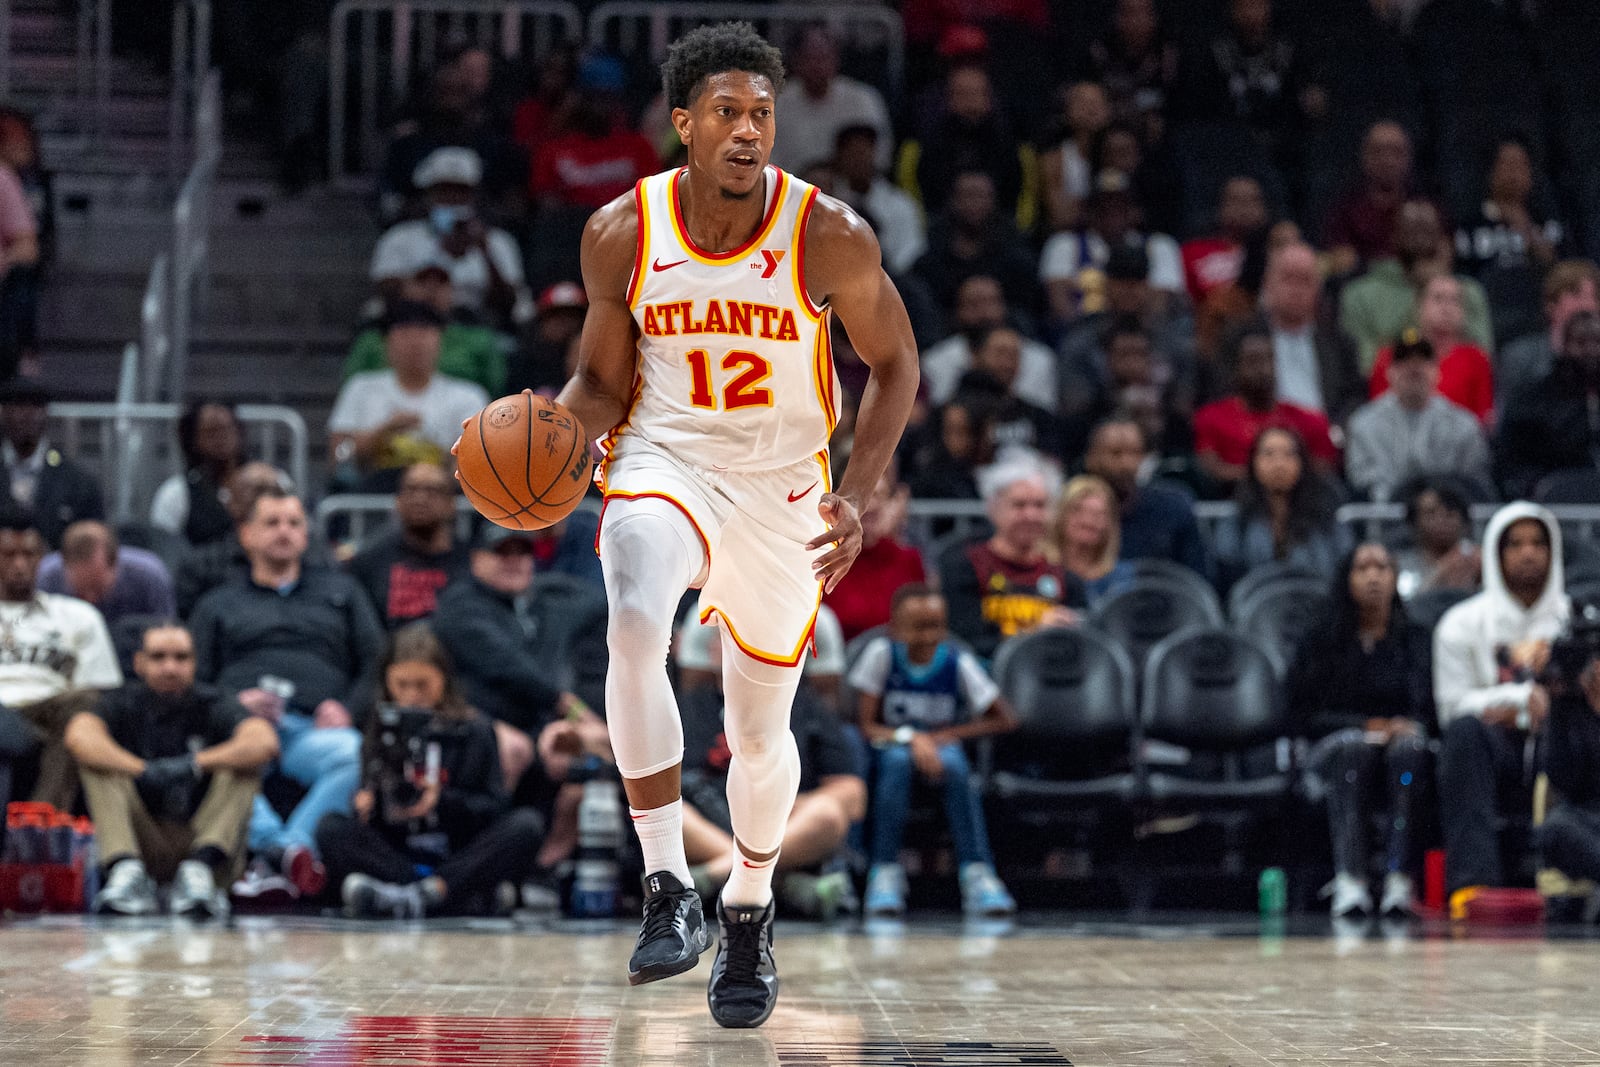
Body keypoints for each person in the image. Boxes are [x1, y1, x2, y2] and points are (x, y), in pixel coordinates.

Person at [546, 21, 918, 1028]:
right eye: (726, 112)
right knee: (632, 612)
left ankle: (747, 902)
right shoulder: (621, 232)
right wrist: (550, 432)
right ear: (682, 125)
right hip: (666, 457)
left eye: (760, 111)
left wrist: (858, 487)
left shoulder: (828, 232)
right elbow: (598, 381)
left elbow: (897, 364)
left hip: (781, 485)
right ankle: (665, 879)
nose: (748, 128)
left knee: (758, 734)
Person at [187, 485, 383, 899]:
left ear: (307, 534)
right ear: (247, 535)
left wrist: (348, 709)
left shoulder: (342, 593)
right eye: (272, 522)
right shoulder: (218, 603)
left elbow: (377, 663)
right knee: (228, 763)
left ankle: (281, 852)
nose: (284, 531)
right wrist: (232, 705)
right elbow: (195, 678)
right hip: (244, 728)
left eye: (294, 523)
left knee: (351, 753)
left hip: (314, 727)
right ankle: (287, 854)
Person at [315, 624, 547, 918]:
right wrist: (368, 805)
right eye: (401, 685)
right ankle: (446, 895)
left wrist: (443, 801)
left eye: (422, 685)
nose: (412, 696)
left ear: (443, 680)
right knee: (330, 827)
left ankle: (412, 895)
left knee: (526, 825)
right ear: (387, 682)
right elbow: (371, 803)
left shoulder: (475, 729)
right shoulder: (379, 729)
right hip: (399, 853)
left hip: (458, 849)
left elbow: (494, 809)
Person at [65, 622, 277, 918]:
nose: (170, 667)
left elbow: (264, 741)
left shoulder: (214, 701)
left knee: (243, 766)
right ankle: (125, 872)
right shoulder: (121, 700)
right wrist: (141, 769)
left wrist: (194, 765)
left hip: (203, 838)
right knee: (99, 765)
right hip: (143, 840)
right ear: (139, 662)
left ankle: (200, 872)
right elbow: (79, 736)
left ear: (194, 663)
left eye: (181, 657)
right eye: (158, 657)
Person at [850, 584, 1017, 917]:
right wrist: (913, 738)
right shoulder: (881, 655)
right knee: (897, 762)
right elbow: (866, 725)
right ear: (895, 627)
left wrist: (948, 734)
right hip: (892, 742)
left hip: (940, 743)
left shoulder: (958, 661)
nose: (928, 635)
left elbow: (1006, 719)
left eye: (936, 625)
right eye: (918, 626)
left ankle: (977, 872)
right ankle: (884, 871)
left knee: (955, 765)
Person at [1287, 543, 1434, 918]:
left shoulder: (1415, 639)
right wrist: (1363, 726)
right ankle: (1351, 879)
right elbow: (1300, 715)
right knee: (1355, 750)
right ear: (1345, 579)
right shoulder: (1321, 640)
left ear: (1395, 578)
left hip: (1397, 755)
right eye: (1362, 568)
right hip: (1333, 750)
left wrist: (1404, 726)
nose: (1373, 577)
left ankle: (1399, 878)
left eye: (1382, 568)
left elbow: (1429, 709)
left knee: (1410, 752)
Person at [677, 626, 864, 920]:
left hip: (781, 823)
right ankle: (782, 884)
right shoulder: (685, 706)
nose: (734, 648)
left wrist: (795, 806)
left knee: (827, 812)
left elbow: (853, 795)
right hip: (708, 822)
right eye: (725, 638)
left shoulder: (804, 704)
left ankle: (716, 875)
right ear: (711, 650)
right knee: (669, 815)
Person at [1434, 503, 1568, 902]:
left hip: (1561, 746)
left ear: (1553, 551)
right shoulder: (1460, 622)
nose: (1528, 553)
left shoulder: (1575, 620)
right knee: (1463, 734)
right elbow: (1451, 705)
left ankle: (1579, 879)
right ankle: (1474, 884)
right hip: (1494, 747)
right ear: (1495, 552)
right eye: (1515, 544)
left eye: (1538, 543)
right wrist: (1523, 700)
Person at [430, 523, 606, 793]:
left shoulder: (544, 598)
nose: (514, 561)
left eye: (523, 552)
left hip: (537, 722)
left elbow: (603, 601)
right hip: (475, 723)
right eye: (502, 552)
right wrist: (572, 709)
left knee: (592, 753)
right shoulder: (460, 605)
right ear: (476, 558)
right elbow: (508, 667)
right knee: (516, 748)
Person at [0, 504, 122, 814]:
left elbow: (101, 691)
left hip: (49, 709)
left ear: (43, 558)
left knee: (86, 706)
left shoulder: (78, 616)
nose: (19, 565)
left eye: (29, 555)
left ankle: (42, 818)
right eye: (8, 555)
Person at [328, 300, 490, 491]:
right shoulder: (361, 388)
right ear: (386, 342)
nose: (415, 341)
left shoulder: (468, 395)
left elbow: (480, 466)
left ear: (440, 339)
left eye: (424, 331)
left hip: (443, 497)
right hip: (373, 495)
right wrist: (383, 432)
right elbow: (338, 458)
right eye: (404, 332)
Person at [937, 460, 1084, 660]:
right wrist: (1033, 633)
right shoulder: (965, 566)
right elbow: (964, 641)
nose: (1030, 515)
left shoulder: (1066, 578)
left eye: (1040, 505)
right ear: (993, 508)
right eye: (1019, 505)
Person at [370, 147, 531, 329]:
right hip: (415, 326)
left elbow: (509, 303)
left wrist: (485, 253)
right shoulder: (400, 237)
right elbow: (386, 287)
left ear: (474, 196)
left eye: (461, 191)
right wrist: (440, 255)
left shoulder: (499, 241)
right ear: (428, 195)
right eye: (444, 191)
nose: (452, 198)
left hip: (480, 330)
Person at [1339, 198, 1493, 373]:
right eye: (1412, 227)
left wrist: (1437, 283)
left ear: (1443, 237)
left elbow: (1483, 360)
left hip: (1458, 386)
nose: (1420, 237)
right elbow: (1365, 365)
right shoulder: (1360, 294)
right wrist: (1422, 293)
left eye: (1427, 227)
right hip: (1391, 391)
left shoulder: (1468, 291)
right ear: (1393, 235)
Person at [1345, 331, 1491, 502]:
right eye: (1404, 360)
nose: (1414, 367)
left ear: (1437, 371)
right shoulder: (1363, 424)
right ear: (1389, 372)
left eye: (1423, 359)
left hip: (1448, 519)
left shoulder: (1463, 425)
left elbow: (1474, 482)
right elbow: (1361, 482)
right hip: (1386, 521)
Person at [1193, 325, 1339, 495]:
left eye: (1268, 360)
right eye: (1252, 361)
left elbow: (1323, 470)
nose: (1262, 370)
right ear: (1235, 368)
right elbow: (1211, 470)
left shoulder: (1311, 421)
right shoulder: (1210, 418)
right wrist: (1274, 475)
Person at [1454, 135, 1565, 347]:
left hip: (1540, 320)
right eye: (1506, 164)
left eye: (1520, 165)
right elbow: (1463, 278)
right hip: (1489, 321)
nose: (1513, 173)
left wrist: (1527, 231)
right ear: (1491, 172)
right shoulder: (1470, 224)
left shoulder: (1547, 222)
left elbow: (1562, 273)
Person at [1040, 169, 1184, 329]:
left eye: (1120, 205)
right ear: (1090, 210)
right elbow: (1059, 303)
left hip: (1147, 334)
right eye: (1104, 204)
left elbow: (1161, 303)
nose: (1112, 210)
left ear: (1133, 210)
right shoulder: (1064, 244)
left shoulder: (1159, 245)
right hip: (1083, 334)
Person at [342, 261, 507, 398]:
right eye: (423, 283)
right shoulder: (372, 338)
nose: (431, 290)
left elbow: (496, 387)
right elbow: (350, 384)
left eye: (441, 284)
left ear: (452, 291)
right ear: (407, 289)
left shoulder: (479, 338)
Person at [1213, 426, 1350, 588]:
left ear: (1302, 462)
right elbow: (1226, 574)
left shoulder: (1324, 516)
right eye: (1268, 454)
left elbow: (1344, 566)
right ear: (1253, 462)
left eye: (1289, 454)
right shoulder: (1236, 521)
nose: (1279, 464)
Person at [346, 462, 472, 629]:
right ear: (397, 500)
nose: (419, 499)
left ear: (451, 503)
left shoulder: (471, 564)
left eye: (432, 490)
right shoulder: (368, 562)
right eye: (411, 489)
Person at [1082, 415, 1210, 578]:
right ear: (1091, 458)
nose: (1126, 464)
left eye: (1135, 452)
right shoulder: (1072, 512)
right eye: (1116, 453)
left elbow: (1197, 579)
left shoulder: (1173, 508)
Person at [530, 54, 659, 213]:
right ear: (579, 100)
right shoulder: (554, 150)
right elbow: (547, 207)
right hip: (575, 231)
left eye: (609, 98)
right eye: (595, 98)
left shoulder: (638, 147)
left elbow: (654, 202)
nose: (602, 107)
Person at [1255, 242, 1365, 424]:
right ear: (1268, 284)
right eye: (1288, 279)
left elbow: (1354, 399)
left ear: (1318, 289)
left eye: (1305, 280)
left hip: (1325, 438)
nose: (1296, 290)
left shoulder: (1341, 344)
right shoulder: (1242, 341)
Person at [1498, 310, 1600, 498]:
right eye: (1581, 343)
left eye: (1597, 342)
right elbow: (1513, 463)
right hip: (1554, 502)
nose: (1591, 351)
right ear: (1564, 346)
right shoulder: (1532, 401)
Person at [173, 462, 296, 619]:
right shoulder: (201, 568)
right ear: (233, 506)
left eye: (272, 495)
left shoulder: (310, 563)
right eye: (252, 499)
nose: (261, 504)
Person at [1367, 274, 1494, 424]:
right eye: (1438, 299)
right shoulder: (1391, 357)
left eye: (1455, 300)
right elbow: (1376, 416)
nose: (1447, 308)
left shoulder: (1476, 359)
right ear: (1419, 306)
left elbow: (1483, 419)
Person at [919, 275, 1057, 412]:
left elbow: (1045, 418)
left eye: (991, 302)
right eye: (974, 304)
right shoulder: (935, 361)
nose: (984, 313)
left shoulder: (1040, 358)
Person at [770, 25, 892, 176]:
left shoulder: (863, 99)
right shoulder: (776, 103)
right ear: (796, 62)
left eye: (823, 57)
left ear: (836, 59)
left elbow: (881, 158)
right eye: (809, 58)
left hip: (851, 191)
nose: (817, 66)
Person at [822, 467, 924, 641]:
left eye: (879, 496)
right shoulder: (826, 559)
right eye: (863, 497)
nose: (872, 506)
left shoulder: (909, 559)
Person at [0, 376, 103, 548]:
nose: (26, 415)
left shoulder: (78, 482)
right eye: (18, 406)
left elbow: (93, 544)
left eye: (35, 406)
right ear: (3, 412)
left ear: (46, 413)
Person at [1494, 259, 1599, 412]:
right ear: (1551, 304)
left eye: (1595, 297)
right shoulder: (1520, 357)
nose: (1588, 305)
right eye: (1576, 295)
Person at [1322, 120, 1424, 275]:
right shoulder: (1345, 211)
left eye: (1396, 152)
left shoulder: (1426, 210)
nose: (1388, 160)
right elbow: (1340, 259)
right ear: (1365, 156)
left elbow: (1438, 259)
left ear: (1408, 157)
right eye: (1379, 151)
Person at [830, 124, 925, 278]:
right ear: (840, 156)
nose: (859, 159)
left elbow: (910, 252)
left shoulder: (900, 203)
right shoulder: (827, 199)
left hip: (891, 282)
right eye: (853, 152)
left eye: (864, 151)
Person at [37, 520, 177, 624]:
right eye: (80, 593)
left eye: (96, 588)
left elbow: (166, 634)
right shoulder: (44, 578)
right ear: (64, 567)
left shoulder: (150, 577)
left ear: (115, 563)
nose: (90, 600)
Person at [150, 401, 243, 546]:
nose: (221, 438)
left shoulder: (268, 482)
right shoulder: (175, 493)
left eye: (227, 429)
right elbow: (164, 547)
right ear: (193, 440)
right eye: (212, 432)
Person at [1181, 176, 1270, 307]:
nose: (1245, 209)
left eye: (1253, 201)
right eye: (1236, 200)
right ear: (1221, 207)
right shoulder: (1192, 252)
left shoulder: (1276, 253)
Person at [1046, 474, 1134, 607]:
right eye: (1078, 510)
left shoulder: (1122, 578)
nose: (1088, 521)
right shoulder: (1038, 569)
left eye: (1098, 514)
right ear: (1060, 515)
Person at [1037, 81, 1112, 234]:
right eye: (1082, 102)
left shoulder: (1121, 152)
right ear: (1067, 110)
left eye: (1096, 102)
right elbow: (1060, 216)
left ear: (1108, 110)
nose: (1090, 108)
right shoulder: (1054, 160)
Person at [1393, 478, 1481, 601]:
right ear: (1413, 522)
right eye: (1431, 513)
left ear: (1464, 521)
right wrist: (1441, 573)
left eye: (1449, 513)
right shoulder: (1399, 566)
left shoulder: (1480, 562)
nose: (1441, 520)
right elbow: (1402, 610)